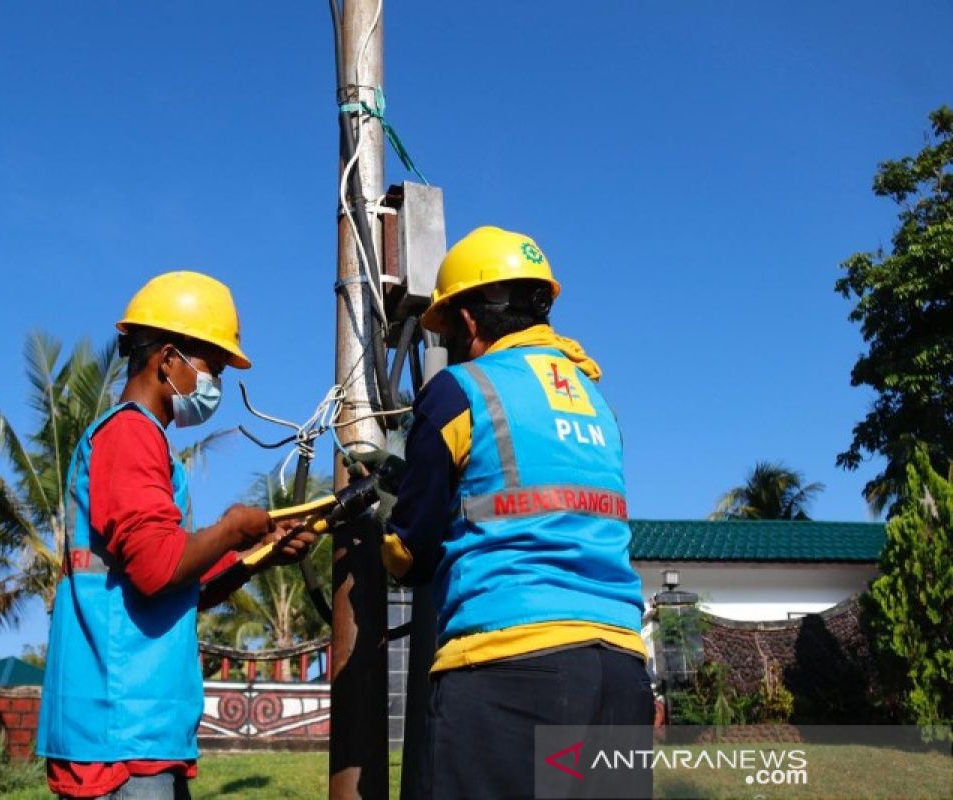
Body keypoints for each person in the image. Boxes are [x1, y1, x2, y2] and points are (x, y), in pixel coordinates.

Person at [371, 227, 653, 799]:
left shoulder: (460, 389)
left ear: (470, 322)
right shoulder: (597, 400)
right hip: (620, 673)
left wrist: (383, 517)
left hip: (510, 672)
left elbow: (408, 550)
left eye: (448, 328)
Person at [36, 271, 315, 800]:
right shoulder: (130, 435)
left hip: (139, 729)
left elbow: (183, 581)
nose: (216, 388)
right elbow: (156, 568)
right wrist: (233, 527)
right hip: (119, 732)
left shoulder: (147, 444)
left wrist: (261, 552)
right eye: (211, 368)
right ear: (167, 360)